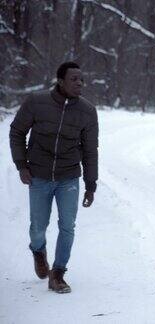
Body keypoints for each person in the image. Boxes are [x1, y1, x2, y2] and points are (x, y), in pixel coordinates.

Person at [9, 62, 99, 294]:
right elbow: (17, 131)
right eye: (74, 79)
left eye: (82, 79)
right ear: (60, 81)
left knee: (67, 226)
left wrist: (90, 184)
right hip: (39, 175)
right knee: (38, 226)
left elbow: (90, 150)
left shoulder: (87, 111)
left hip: (69, 177)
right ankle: (39, 251)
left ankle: (58, 273)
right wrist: (21, 165)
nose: (79, 83)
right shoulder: (36, 102)